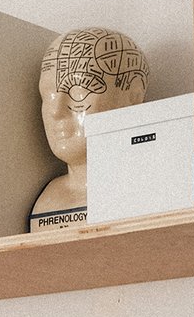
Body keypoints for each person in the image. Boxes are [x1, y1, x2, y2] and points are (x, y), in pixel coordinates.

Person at [30, 27, 149, 231]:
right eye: (48, 94)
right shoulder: (46, 200)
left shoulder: (150, 190)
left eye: (79, 91)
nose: (56, 112)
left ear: (133, 99)